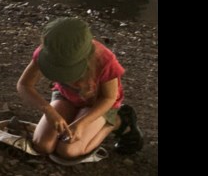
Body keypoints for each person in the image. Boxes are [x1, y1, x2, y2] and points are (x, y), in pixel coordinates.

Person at [15, 17, 143, 159]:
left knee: (68, 151)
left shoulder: (105, 60)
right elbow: (24, 85)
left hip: (97, 103)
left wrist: (81, 124)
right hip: (66, 96)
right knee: (43, 145)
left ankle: (118, 121)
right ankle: (75, 116)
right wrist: (49, 111)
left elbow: (109, 98)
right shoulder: (47, 53)